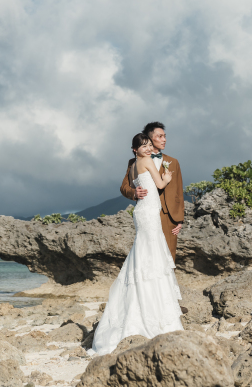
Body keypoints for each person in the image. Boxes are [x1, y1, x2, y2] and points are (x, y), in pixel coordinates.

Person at [90, 133, 183, 355]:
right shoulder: (144, 161)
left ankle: (141, 303)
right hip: (149, 211)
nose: (148, 148)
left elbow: (142, 182)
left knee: (143, 253)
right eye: (144, 145)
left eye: (150, 144)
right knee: (152, 254)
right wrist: (167, 178)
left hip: (141, 212)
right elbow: (157, 184)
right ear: (135, 149)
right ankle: (155, 310)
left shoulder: (134, 165)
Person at [120, 122, 184, 260]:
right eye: (160, 136)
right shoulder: (133, 162)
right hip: (148, 212)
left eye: (165, 136)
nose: (164, 139)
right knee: (147, 254)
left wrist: (180, 219)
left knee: (169, 257)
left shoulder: (173, 162)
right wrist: (134, 193)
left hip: (168, 215)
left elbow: (179, 191)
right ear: (149, 138)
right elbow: (124, 187)